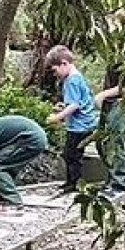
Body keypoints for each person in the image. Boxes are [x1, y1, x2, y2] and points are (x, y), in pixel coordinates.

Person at [44, 45, 98, 192]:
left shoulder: (71, 80)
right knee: (71, 154)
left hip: (79, 125)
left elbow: (74, 105)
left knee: (71, 155)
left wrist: (57, 117)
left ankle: (74, 183)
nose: (55, 75)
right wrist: (63, 107)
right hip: (84, 123)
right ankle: (72, 182)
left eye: (55, 71)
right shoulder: (77, 77)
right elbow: (79, 101)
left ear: (64, 63)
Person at [94, 63, 125, 200]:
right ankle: (113, 180)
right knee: (102, 143)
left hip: (121, 103)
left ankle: (120, 184)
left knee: (115, 143)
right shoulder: (112, 53)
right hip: (110, 103)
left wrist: (103, 94)